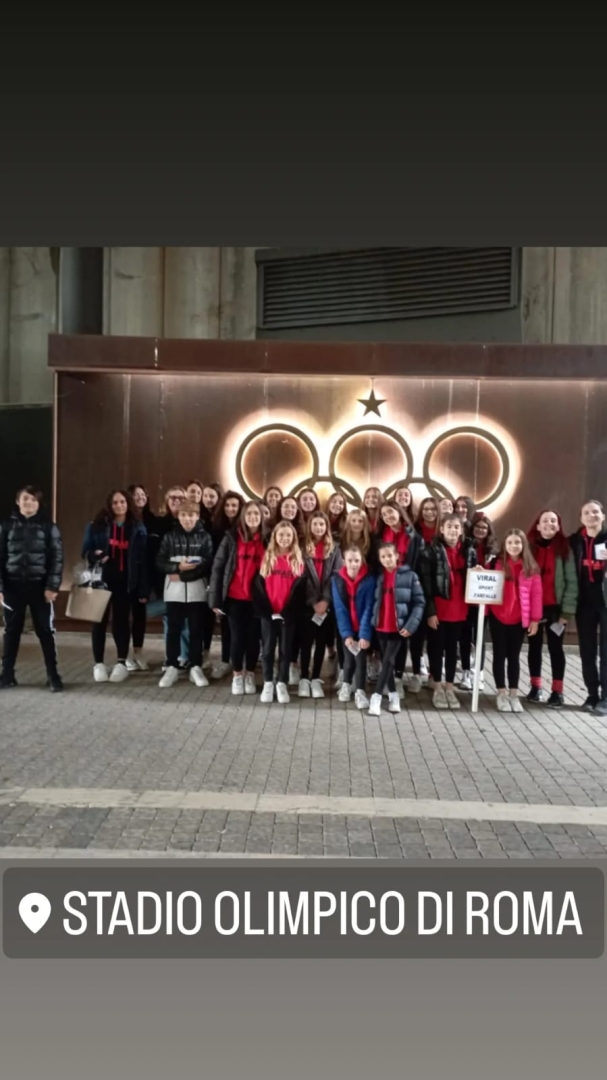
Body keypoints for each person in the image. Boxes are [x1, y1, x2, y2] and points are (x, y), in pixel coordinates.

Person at [0, 485, 64, 692]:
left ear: (39, 503)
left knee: (45, 631)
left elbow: (57, 559)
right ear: (18, 501)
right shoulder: (6, 526)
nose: (29, 502)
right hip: (12, 588)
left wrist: (52, 586)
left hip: (40, 588)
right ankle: (7, 674)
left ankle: (53, 675)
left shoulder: (49, 527)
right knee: (11, 632)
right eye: (25, 498)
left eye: (34, 500)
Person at [82, 489, 148, 684]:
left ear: (128, 504)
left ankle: (121, 663)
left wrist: (142, 588)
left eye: (122, 502)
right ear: (109, 505)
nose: (119, 505)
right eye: (115, 502)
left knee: (121, 622)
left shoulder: (137, 527)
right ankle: (99, 664)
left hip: (125, 582)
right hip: (101, 580)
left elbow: (143, 560)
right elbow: (85, 551)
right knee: (99, 622)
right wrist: (95, 555)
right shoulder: (97, 525)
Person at [209, 501, 267, 696]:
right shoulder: (231, 537)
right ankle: (237, 675)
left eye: (256, 514)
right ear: (243, 517)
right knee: (237, 638)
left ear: (261, 517)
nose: (253, 517)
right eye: (249, 514)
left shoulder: (268, 538)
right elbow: (218, 567)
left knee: (253, 639)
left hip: (257, 598)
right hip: (234, 597)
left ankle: (249, 673)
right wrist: (215, 599)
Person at [156, 499, 213, 688]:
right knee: (174, 629)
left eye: (191, 515)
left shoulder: (205, 537)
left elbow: (207, 563)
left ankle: (196, 666)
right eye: (183, 515)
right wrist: (177, 567)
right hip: (174, 592)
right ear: (178, 516)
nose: (187, 519)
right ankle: (172, 666)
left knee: (196, 629)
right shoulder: (169, 536)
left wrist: (183, 575)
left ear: (197, 516)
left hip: (197, 591)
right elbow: (160, 561)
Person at [419, 513, 474, 709]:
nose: (453, 530)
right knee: (436, 648)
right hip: (439, 610)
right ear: (441, 529)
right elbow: (426, 585)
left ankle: (450, 687)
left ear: (461, 530)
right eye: (449, 526)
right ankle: (437, 687)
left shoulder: (469, 552)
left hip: (460, 609)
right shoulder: (429, 552)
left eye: (456, 527)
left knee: (452, 649)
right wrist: (430, 612)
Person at [372, 499, 425, 697]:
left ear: (399, 512)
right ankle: (391, 679)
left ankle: (398, 677)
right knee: (387, 635)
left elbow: (418, 563)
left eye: (391, 512)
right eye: (384, 514)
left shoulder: (413, 536)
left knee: (402, 633)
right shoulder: (379, 536)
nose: (388, 516)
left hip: (405, 587)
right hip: (385, 587)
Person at [526, 509, 578, 707]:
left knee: (556, 649)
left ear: (558, 526)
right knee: (534, 647)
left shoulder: (565, 550)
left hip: (555, 610)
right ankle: (535, 687)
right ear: (538, 526)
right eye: (545, 520)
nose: (549, 524)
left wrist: (567, 612)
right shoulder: (528, 548)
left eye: (553, 521)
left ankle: (557, 691)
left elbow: (571, 582)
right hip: (533, 609)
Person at [368, 542, 425, 717]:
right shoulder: (379, 577)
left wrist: (411, 625)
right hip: (381, 626)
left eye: (390, 556)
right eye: (383, 557)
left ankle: (376, 697)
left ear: (397, 556)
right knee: (388, 663)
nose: (387, 559)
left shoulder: (410, 576)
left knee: (387, 661)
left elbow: (419, 602)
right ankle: (394, 697)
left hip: (398, 628)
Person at [487, 529, 542, 713]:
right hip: (498, 617)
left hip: (519, 619)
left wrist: (535, 619)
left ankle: (513, 694)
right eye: (510, 542)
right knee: (499, 655)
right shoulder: (495, 563)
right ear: (505, 545)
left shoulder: (531, 567)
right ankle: (501, 693)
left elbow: (536, 595)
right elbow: (483, 582)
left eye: (517, 542)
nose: (513, 546)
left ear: (523, 544)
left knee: (514, 657)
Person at [253, 522, 307, 705]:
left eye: (288, 535)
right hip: (269, 614)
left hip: (287, 615)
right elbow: (258, 588)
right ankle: (268, 682)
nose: (284, 538)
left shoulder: (297, 561)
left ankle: (282, 682)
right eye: (281, 535)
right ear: (275, 537)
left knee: (286, 649)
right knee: (267, 649)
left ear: (293, 538)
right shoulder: (267, 558)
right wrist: (266, 611)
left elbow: (299, 592)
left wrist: (288, 612)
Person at [298, 511, 342, 699]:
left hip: (326, 604)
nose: (318, 527)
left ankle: (316, 677)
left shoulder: (334, 548)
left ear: (326, 527)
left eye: (322, 524)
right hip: (308, 604)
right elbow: (301, 576)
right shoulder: (301, 547)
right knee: (306, 641)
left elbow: (336, 575)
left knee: (322, 641)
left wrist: (325, 600)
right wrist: (313, 601)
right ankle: (303, 678)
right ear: (310, 526)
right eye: (315, 524)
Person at [569, 500, 607, 714]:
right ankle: (592, 694)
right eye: (587, 512)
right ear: (581, 518)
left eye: (595, 512)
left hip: (605, 602)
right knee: (587, 650)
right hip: (584, 603)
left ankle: (606, 698)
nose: (592, 515)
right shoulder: (575, 541)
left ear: (603, 516)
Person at [458, 512, 498, 691]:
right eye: (477, 527)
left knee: (480, 638)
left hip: (484, 602)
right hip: (466, 600)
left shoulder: (493, 551)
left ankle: (479, 672)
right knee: (465, 636)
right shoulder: (465, 546)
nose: (480, 530)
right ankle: (466, 671)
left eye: (484, 527)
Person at [332, 545, 375, 710]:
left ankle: (360, 691)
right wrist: (347, 634)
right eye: (350, 560)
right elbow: (340, 609)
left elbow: (369, 609)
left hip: (362, 629)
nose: (353, 564)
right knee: (348, 660)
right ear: (344, 561)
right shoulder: (337, 580)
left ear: (362, 561)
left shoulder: (369, 580)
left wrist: (364, 635)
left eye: (357, 560)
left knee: (361, 660)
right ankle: (346, 685)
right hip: (348, 629)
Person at [210, 491, 245, 679]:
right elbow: (216, 562)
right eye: (228, 505)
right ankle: (225, 660)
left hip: (240, 583)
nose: (231, 509)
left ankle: (240, 662)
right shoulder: (217, 528)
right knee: (226, 626)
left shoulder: (244, 529)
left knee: (241, 629)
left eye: (234, 506)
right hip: (224, 584)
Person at [126, 483, 157, 670]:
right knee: (124, 616)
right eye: (136, 494)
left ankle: (138, 652)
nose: (140, 497)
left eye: (143, 494)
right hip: (126, 574)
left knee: (139, 616)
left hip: (144, 574)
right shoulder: (125, 519)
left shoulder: (151, 519)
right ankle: (125, 655)